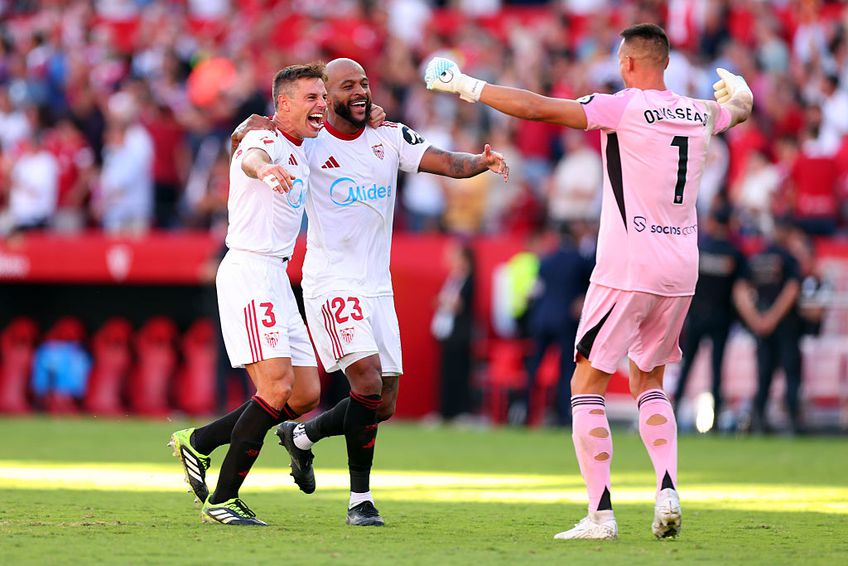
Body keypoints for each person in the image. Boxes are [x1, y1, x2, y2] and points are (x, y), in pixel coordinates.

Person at [425, 22, 753, 540]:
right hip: (680, 266)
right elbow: (738, 109)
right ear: (665, 62)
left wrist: (467, 85)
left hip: (629, 263)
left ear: (628, 64)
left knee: (585, 383)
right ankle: (666, 488)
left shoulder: (621, 106)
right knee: (649, 381)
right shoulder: (700, 112)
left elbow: (537, 107)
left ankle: (600, 515)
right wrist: (744, 94)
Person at [232, 58, 508, 527]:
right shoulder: (311, 144)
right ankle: (360, 499)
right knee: (365, 381)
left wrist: (479, 163)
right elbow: (245, 143)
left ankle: (302, 436)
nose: (360, 92)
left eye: (364, 83)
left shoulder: (390, 136)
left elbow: (444, 162)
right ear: (326, 97)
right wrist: (254, 125)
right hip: (330, 281)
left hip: (377, 285)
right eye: (346, 86)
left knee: (384, 403)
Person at [168, 63, 329, 527]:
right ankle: (223, 499)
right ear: (283, 105)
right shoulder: (266, 141)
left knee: (303, 394)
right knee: (275, 386)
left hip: (278, 276)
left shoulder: (306, 144)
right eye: (311, 97)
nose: (320, 104)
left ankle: (198, 442)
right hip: (249, 270)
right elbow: (248, 157)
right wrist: (266, 169)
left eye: (322, 97)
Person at [673, 206, 747, 430]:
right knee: (717, 368)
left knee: (687, 366)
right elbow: (740, 289)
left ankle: (672, 412)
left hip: (696, 315)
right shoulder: (735, 253)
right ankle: (714, 421)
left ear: (713, 223)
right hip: (721, 317)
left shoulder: (699, 248)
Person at [734, 217, 804, 435]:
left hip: (762, 324)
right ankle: (793, 423)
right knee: (791, 374)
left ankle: (759, 422)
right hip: (785, 325)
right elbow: (792, 290)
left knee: (763, 375)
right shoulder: (788, 258)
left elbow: (741, 290)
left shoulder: (757, 258)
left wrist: (756, 319)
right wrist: (773, 318)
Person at [521, 223, 593, 427]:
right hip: (565, 320)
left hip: (542, 319)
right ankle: (562, 414)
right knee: (565, 370)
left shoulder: (546, 261)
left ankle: (524, 411)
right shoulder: (580, 260)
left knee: (533, 368)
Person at [431, 240, 476, 421]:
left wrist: (446, 302)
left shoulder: (469, 280)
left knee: (460, 372)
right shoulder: (452, 280)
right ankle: (445, 410)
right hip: (447, 333)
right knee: (446, 373)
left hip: (461, 335)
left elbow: (459, 305)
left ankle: (460, 411)